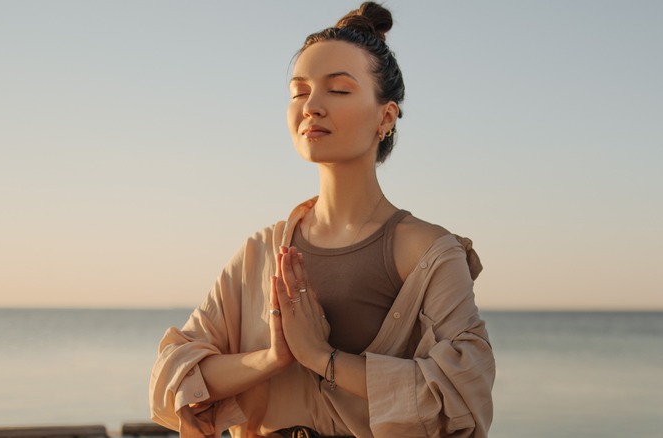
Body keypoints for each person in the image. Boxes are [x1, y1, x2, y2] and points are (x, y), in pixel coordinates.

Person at [149, 2, 495, 437]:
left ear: (385, 117)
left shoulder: (428, 253)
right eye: (299, 91)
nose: (311, 105)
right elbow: (172, 378)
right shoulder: (262, 251)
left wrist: (321, 358)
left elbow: (465, 393)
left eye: (339, 89)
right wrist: (274, 357)